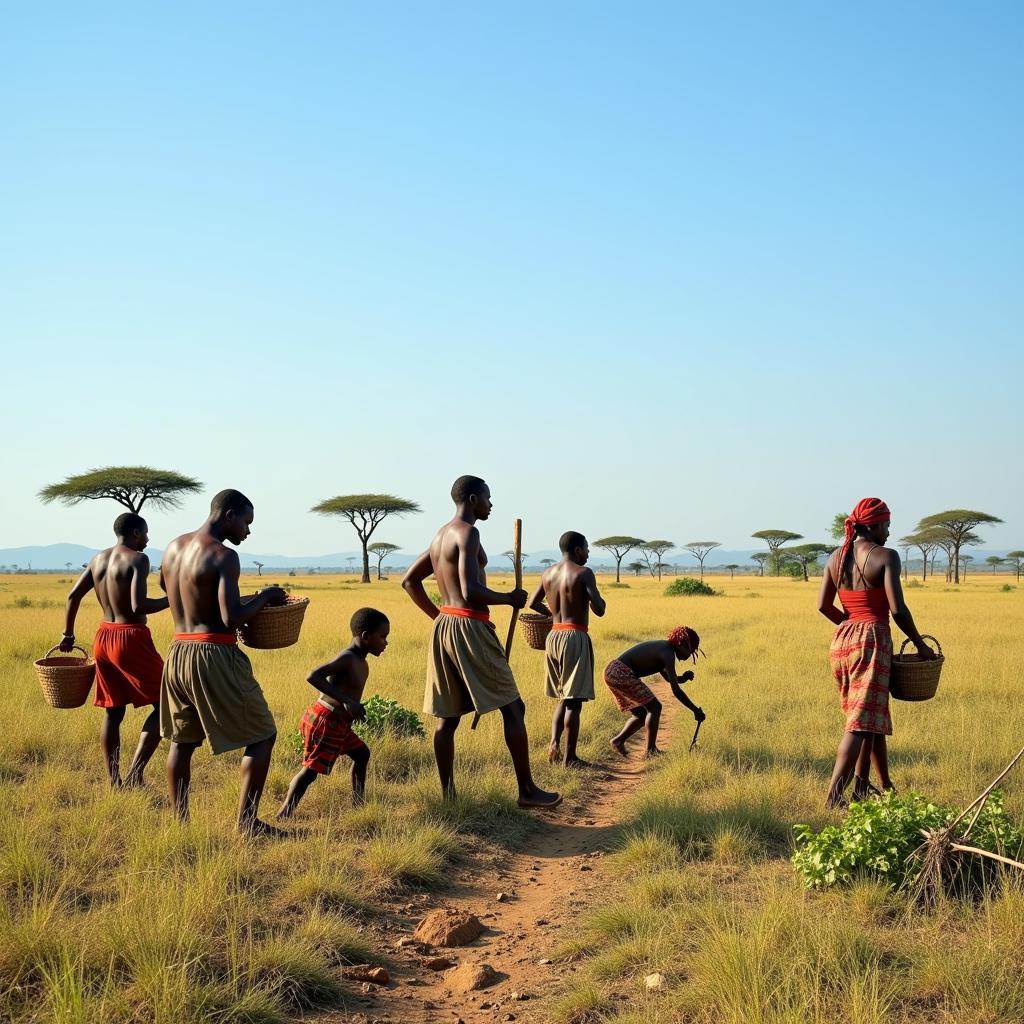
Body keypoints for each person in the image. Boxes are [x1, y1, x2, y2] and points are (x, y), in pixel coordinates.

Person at [402, 475, 561, 808]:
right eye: (488, 498)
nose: (491, 504)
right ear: (473, 499)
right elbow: (469, 590)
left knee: (448, 718)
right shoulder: (469, 532)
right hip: (469, 626)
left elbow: (409, 581)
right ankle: (527, 791)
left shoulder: (440, 535)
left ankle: (449, 796)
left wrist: (439, 617)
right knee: (514, 708)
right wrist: (509, 598)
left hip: (446, 626)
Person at [159, 489, 287, 836]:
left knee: (181, 742)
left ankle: (179, 823)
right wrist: (266, 596)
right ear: (228, 515)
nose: (248, 531)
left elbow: (171, 589)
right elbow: (231, 618)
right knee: (262, 735)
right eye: (246, 522)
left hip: (177, 653)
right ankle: (247, 824)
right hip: (212, 653)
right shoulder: (224, 556)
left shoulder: (173, 547)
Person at [818, 497, 935, 809]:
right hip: (872, 639)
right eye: (886, 524)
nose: (888, 531)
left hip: (842, 640)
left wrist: (849, 622)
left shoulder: (835, 558)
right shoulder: (886, 557)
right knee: (859, 722)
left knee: (870, 716)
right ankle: (833, 798)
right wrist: (920, 645)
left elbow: (822, 606)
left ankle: (867, 789)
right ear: (872, 525)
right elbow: (897, 610)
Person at [59, 513, 168, 787]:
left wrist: (68, 634)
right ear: (134, 533)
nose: (147, 539)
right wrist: (173, 599)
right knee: (167, 704)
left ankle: (114, 780)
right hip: (130, 638)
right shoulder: (138, 559)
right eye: (145, 533)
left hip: (104, 637)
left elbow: (72, 596)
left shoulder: (97, 559)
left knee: (113, 712)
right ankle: (135, 775)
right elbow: (137, 606)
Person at [277, 608, 389, 816]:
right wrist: (346, 701)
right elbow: (313, 676)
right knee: (310, 771)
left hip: (339, 724)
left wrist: (353, 707)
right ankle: (284, 814)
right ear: (365, 636)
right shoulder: (348, 658)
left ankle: (358, 806)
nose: (385, 642)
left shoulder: (360, 660)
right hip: (325, 720)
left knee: (362, 754)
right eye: (382, 637)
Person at [527, 530, 606, 768]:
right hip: (575, 636)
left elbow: (532, 603)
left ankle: (554, 744)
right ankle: (570, 758)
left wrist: (553, 614)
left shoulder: (548, 573)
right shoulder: (584, 573)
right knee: (574, 701)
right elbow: (600, 609)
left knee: (563, 696)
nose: (589, 554)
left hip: (554, 635)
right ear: (578, 550)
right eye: (587, 549)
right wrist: (592, 597)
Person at [603, 626, 704, 758]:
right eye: (689, 651)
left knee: (641, 714)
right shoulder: (667, 653)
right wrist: (695, 710)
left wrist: (683, 678)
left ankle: (618, 740)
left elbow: (669, 679)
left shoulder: (665, 649)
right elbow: (676, 691)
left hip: (612, 671)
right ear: (681, 644)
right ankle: (651, 751)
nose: (689, 656)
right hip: (620, 672)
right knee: (655, 707)